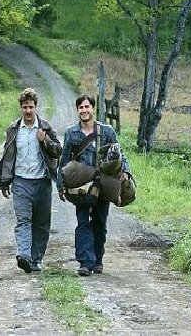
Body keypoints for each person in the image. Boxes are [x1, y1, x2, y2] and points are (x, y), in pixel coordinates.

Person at [57, 94, 131, 276]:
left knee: (100, 223)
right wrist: (61, 184)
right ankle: (85, 262)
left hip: (103, 183)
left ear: (92, 108)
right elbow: (64, 161)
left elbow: (119, 153)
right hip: (81, 185)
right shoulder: (71, 133)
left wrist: (126, 171)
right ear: (77, 110)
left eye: (87, 106)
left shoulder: (106, 131)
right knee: (83, 222)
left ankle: (97, 259)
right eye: (81, 107)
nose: (84, 110)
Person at [0, 87, 61, 274]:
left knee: (41, 223)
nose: (28, 111)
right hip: (21, 182)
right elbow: (7, 156)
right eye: (25, 107)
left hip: (42, 182)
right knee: (23, 220)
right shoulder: (14, 129)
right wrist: (4, 181)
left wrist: (45, 140)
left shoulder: (45, 127)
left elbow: (58, 151)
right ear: (20, 108)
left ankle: (36, 259)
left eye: (31, 107)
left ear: (36, 107)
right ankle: (24, 255)